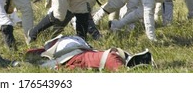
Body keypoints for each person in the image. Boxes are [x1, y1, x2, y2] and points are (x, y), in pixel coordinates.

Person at [26, 34, 154, 71]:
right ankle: (133, 63)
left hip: (92, 54)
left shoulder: (65, 51)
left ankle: (134, 64)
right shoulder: (66, 48)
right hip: (101, 54)